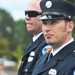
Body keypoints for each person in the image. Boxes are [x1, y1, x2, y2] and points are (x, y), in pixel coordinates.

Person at [32, 0, 75, 75]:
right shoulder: (42, 59)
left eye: (53, 22)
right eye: (44, 23)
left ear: (69, 26)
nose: (47, 29)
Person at [18, 0, 52, 75]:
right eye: (26, 13)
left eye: (32, 14)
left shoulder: (47, 44)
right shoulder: (35, 41)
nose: (26, 17)